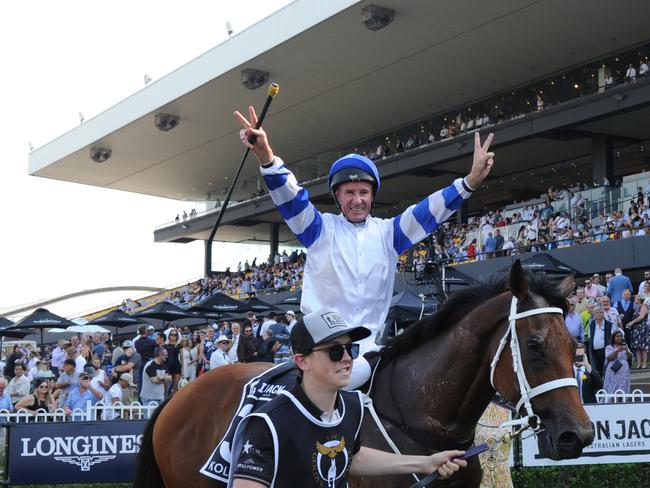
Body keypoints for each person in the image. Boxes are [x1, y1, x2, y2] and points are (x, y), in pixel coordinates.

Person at [235, 107, 494, 388]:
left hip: (370, 352)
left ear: (372, 196)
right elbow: (290, 197)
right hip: (320, 349)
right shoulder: (318, 229)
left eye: (363, 193)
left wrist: (468, 183)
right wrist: (265, 155)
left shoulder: (389, 234)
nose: (357, 200)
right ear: (337, 196)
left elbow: (427, 212)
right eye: (349, 193)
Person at [229, 309, 467, 487]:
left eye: (350, 349)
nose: (347, 358)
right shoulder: (268, 423)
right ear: (302, 361)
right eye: (334, 351)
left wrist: (425, 463)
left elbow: (352, 456)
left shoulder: (351, 405)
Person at [603, 331, 632, 401]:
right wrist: (617, 351)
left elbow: (630, 357)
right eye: (617, 336)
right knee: (612, 386)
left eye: (621, 336)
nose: (619, 338)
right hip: (613, 369)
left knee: (622, 386)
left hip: (624, 370)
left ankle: (621, 401)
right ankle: (612, 402)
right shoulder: (609, 347)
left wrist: (626, 350)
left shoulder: (625, 346)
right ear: (614, 338)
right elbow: (609, 358)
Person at [588, 307, 615, 376]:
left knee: (606, 369)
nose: (599, 314)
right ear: (594, 314)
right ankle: (598, 385)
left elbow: (614, 336)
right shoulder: (591, 324)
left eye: (600, 312)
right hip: (594, 351)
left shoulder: (609, 324)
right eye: (596, 313)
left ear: (603, 314)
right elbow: (589, 336)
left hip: (606, 350)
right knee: (596, 370)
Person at [628, 296, 649, 369]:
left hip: (642, 328)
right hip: (636, 328)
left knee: (642, 347)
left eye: (635, 298)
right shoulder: (637, 307)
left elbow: (641, 317)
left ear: (639, 300)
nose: (634, 300)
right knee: (637, 347)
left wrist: (632, 322)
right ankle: (639, 363)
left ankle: (644, 363)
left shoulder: (643, 307)